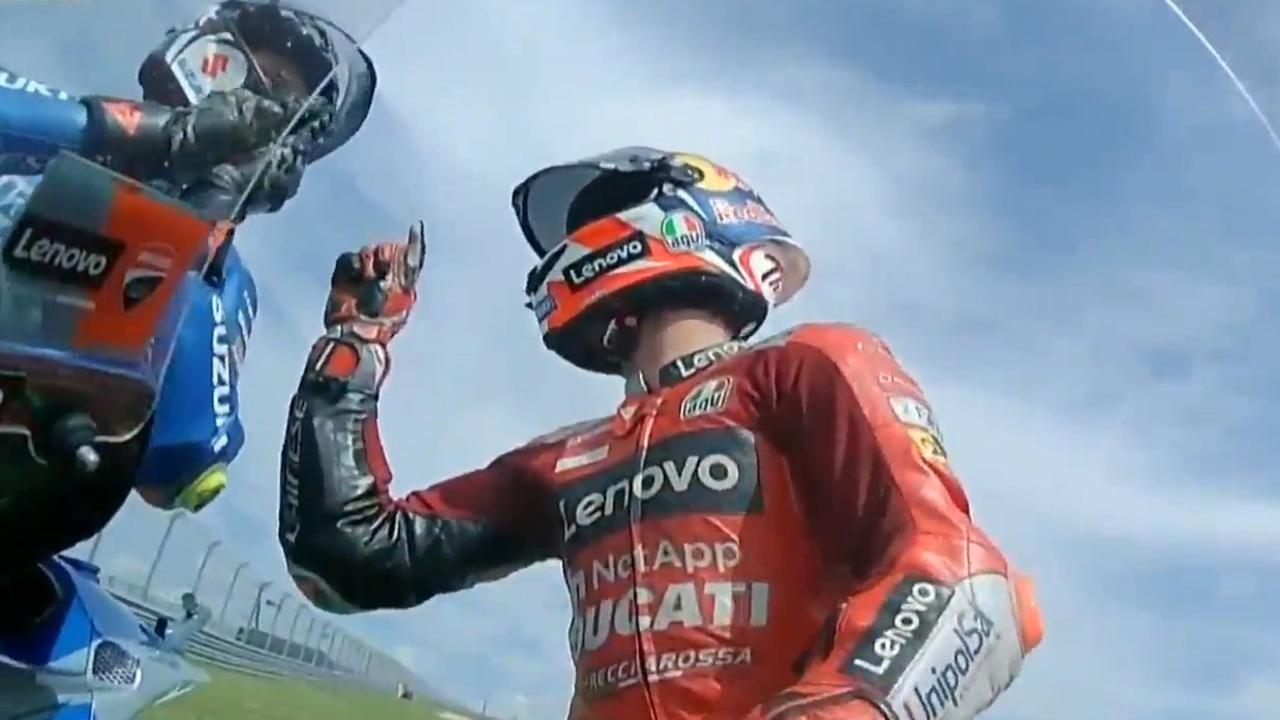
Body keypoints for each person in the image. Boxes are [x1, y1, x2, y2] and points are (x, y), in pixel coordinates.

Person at [277, 147, 1044, 719]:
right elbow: (346, 561)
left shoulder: (805, 367)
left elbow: (969, 585)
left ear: (669, 218)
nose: (564, 249)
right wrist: (357, 340)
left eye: (590, 220)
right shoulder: (568, 458)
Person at [0, 1, 374, 583]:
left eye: (276, 103)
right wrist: (144, 136)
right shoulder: (37, 112)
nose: (250, 104)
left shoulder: (221, 280)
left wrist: (201, 221)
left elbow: (182, 463)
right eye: (259, 80)